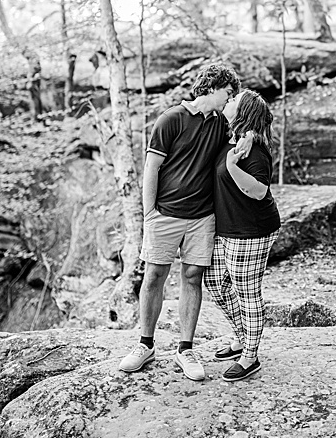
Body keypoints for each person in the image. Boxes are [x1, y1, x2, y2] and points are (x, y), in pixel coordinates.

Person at [120, 62, 241, 380]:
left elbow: (243, 138)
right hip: (164, 214)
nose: (230, 100)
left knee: (192, 278)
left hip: (202, 217)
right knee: (154, 276)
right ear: (213, 87)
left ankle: (185, 349)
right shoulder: (171, 119)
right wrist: (149, 214)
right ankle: (145, 345)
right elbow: (152, 169)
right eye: (228, 94)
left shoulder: (221, 125)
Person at [204, 88, 281, 382]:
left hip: (251, 231)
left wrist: (232, 166)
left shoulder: (255, 152)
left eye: (235, 100)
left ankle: (250, 355)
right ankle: (241, 335)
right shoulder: (232, 139)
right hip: (227, 228)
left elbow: (259, 191)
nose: (229, 100)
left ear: (244, 111)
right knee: (214, 280)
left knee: (246, 290)